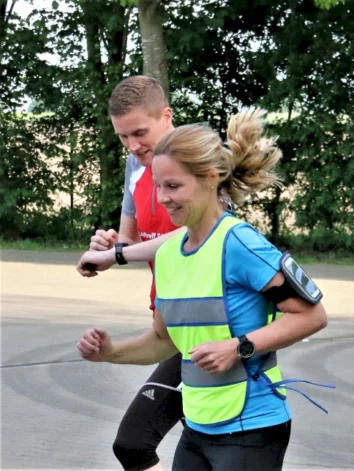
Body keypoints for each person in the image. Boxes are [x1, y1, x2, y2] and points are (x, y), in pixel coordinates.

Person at [77, 108, 331, 470]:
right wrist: (110, 352)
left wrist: (239, 346)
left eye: (174, 186)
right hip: (197, 430)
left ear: (210, 178)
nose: (163, 198)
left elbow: (312, 315)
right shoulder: (167, 256)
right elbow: (165, 342)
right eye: (159, 186)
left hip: (252, 428)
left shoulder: (239, 244)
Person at [76, 75, 185, 471]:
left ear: (166, 116)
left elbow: (197, 240)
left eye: (140, 132)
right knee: (139, 446)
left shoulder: (201, 157)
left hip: (215, 328)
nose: (133, 145)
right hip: (170, 322)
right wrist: (108, 246)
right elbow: (130, 238)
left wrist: (118, 257)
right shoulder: (135, 167)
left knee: (137, 444)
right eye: (123, 137)